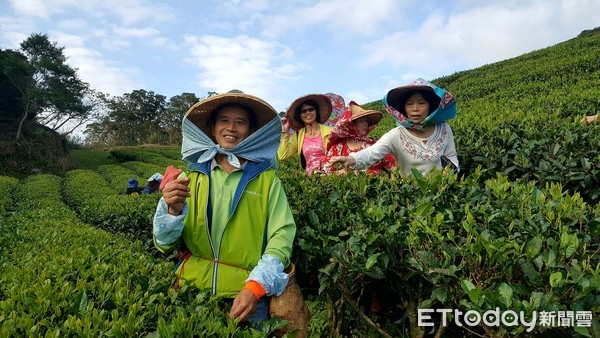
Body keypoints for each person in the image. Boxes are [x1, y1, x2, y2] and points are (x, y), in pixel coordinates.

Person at [152, 90, 296, 325]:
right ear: (212, 127)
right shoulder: (191, 176)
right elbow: (163, 244)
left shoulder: (266, 178)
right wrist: (173, 211)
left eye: (240, 122)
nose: (232, 128)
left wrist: (255, 286)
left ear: (250, 132)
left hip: (247, 297)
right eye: (224, 120)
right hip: (192, 291)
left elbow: (282, 234)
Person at [329, 79, 459, 176]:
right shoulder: (396, 134)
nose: (415, 109)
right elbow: (372, 153)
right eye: (409, 104)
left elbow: (451, 156)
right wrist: (351, 159)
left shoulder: (444, 129)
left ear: (430, 106)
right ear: (404, 108)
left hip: (441, 193)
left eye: (421, 103)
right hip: (409, 195)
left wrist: (450, 174)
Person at [324, 101, 396, 175]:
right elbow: (328, 173)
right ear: (351, 124)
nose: (365, 124)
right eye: (361, 121)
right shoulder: (337, 147)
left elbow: (393, 167)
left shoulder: (375, 144)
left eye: (366, 121)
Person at [278, 94, 333, 175]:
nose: (307, 113)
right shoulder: (298, 135)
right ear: (299, 115)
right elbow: (283, 156)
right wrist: (284, 132)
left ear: (316, 111)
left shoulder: (330, 132)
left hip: (330, 177)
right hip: (310, 180)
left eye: (311, 109)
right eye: (303, 111)